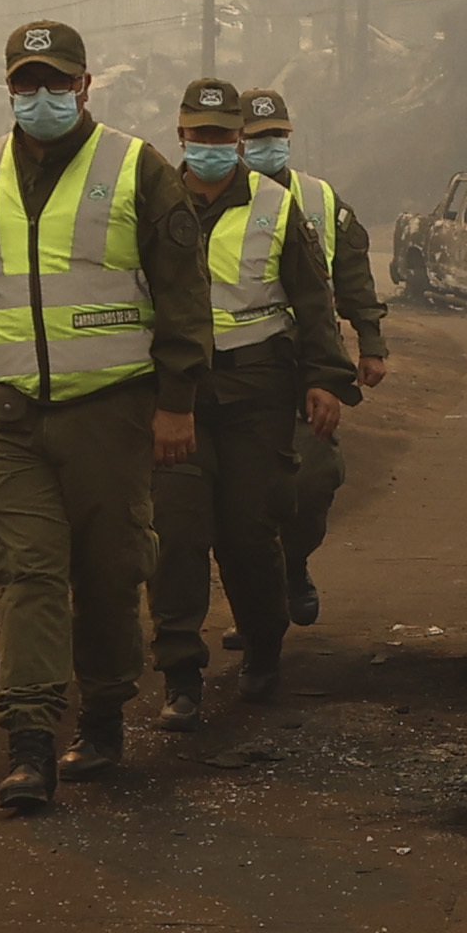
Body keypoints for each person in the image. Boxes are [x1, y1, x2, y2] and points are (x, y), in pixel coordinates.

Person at [0, 17, 201, 815]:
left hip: (111, 415)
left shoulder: (136, 168)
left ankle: (105, 711)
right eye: (25, 82)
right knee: (29, 574)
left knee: (110, 575)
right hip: (9, 419)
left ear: (85, 85)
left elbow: (183, 294)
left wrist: (177, 403)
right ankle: (31, 742)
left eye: (56, 81)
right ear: (7, 86)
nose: (40, 96)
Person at [145, 76, 347, 725]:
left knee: (250, 532)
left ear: (239, 137)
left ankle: (263, 647)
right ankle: (180, 672)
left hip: (258, 390)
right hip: (179, 392)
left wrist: (323, 378)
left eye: (221, 135)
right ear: (181, 134)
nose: (210, 145)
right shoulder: (152, 200)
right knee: (175, 531)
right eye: (198, 134)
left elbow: (313, 298)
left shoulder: (275, 204)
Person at [242, 85, 380, 628]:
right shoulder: (208, 200)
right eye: (255, 138)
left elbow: (352, 274)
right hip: (239, 368)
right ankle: (257, 608)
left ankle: (293, 564)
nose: (266, 145)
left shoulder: (321, 200)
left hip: (309, 368)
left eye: (275, 135)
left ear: (290, 136)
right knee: (238, 501)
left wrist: (371, 339)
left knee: (312, 480)